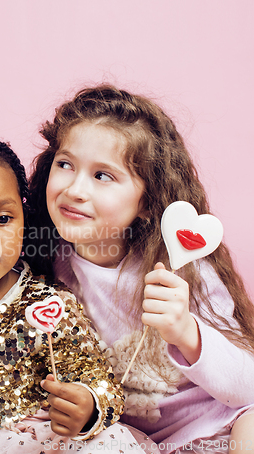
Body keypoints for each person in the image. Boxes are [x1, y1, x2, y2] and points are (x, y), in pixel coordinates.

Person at [27, 84, 254, 454]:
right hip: (129, 441)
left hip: (221, 428)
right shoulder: (43, 262)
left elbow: (248, 387)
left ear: (147, 203)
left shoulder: (181, 270)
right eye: (65, 164)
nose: (75, 189)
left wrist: (185, 331)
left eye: (103, 176)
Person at [0, 139, 158, 454]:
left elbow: (96, 376)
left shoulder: (47, 301)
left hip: (48, 441)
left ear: (23, 221)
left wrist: (88, 407)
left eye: (2, 219)